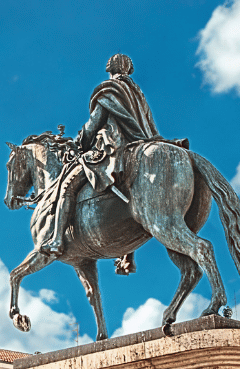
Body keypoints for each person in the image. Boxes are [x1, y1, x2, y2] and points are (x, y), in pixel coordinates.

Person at [39, 53, 164, 271]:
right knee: (130, 192)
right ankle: (127, 256)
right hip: (139, 145)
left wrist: (79, 143)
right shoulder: (137, 92)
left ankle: (57, 239)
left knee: (67, 185)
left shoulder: (109, 89)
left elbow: (95, 122)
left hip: (113, 147)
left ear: (110, 67)